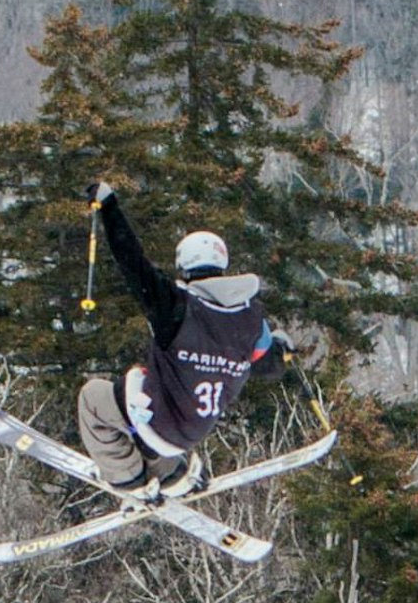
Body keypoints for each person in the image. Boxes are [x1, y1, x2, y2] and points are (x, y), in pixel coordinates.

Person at [76, 181, 291, 500]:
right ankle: (170, 472)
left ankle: (127, 478)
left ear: (183, 266)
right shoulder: (251, 322)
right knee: (138, 383)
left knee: (94, 398)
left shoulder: (176, 306)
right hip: (192, 431)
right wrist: (282, 350)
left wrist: (109, 207)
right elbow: (266, 365)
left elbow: (133, 262)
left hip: (160, 425)